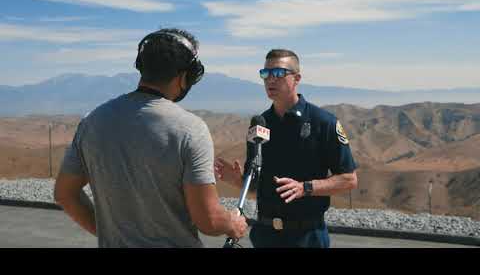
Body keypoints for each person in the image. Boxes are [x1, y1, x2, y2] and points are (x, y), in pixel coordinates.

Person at [54, 28, 247, 248]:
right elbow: (209, 220)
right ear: (186, 75)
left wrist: (112, 234)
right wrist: (233, 223)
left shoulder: (92, 121)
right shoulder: (191, 130)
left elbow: (64, 193)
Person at [214, 49, 358, 248]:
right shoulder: (260, 125)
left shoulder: (323, 123)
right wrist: (238, 180)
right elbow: (259, 187)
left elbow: (348, 180)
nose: (270, 80)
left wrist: (304, 188)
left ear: (296, 78)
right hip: (265, 236)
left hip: (307, 237)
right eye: (265, 74)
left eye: (279, 73)